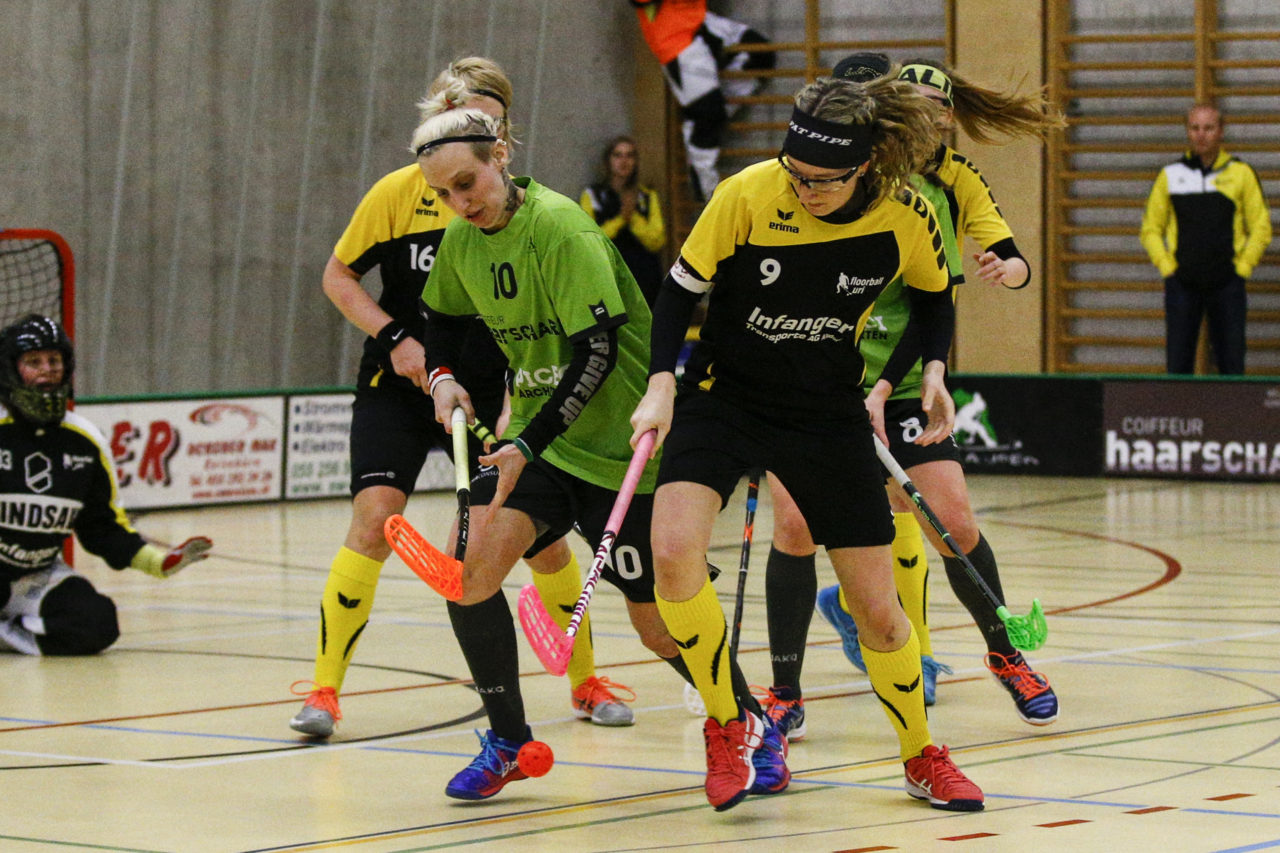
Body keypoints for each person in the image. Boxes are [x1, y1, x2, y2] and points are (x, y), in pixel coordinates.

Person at [630, 74, 985, 813]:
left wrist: (937, 369)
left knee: (880, 613)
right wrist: (661, 382)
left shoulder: (905, 214)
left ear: (868, 167)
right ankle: (730, 720)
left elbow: (933, 293)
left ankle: (921, 754)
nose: (805, 188)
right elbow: (677, 290)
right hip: (722, 396)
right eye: (796, 172)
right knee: (671, 554)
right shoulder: (749, 194)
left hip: (826, 412)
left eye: (823, 180)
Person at [289, 57, 636, 740]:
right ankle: (324, 689)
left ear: (502, 137)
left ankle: (584, 678)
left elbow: (536, 319)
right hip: (402, 382)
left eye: (492, 121)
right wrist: (396, 337)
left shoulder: (526, 207)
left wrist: (513, 399)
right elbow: (338, 275)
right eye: (463, 112)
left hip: (486, 393)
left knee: (540, 541)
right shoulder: (399, 192)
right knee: (374, 517)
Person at [409, 101, 720, 802]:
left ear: (500, 159)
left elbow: (599, 352)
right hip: (552, 448)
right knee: (471, 576)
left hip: (624, 448)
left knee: (658, 628)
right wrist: (443, 377)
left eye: (468, 183)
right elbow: (440, 322)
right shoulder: (463, 243)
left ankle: (744, 719)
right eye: (444, 194)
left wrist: (526, 439)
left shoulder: (562, 229)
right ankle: (511, 740)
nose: (460, 203)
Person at [780, 56, 1062, 730]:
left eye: (938, 111)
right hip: (821, 385)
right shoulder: (844, 179)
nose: (928, 122)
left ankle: (1004, 655)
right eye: (912, 107)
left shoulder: (951, 184)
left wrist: (1008, 268)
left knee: (952, 522)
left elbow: (979, 275)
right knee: (798, 527)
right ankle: (788, 690)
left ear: (947, 119)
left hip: (902, 382)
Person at [0, 314, 211, 656]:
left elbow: (102, 527)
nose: (47, 369)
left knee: (97, 623)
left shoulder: (85, 439)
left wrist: (158, 563)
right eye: (34, 361)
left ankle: (6, 636)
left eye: (54, 360)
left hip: (33, 577)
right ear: (11, 369)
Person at [1141, 103, 1271, 375]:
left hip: (1227, 284)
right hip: (1182, 285)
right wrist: (1168, 269)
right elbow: (1151, 229)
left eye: (1209, 128)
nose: (1201, 135)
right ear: (1188, 132)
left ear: (1221, 132)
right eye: (1195, 128)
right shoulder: (1170, 175)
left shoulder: (1241, 173)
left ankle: (1232, 418)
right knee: (1177, 367)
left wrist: (1242, 269)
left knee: (1232, 365)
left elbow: (1261, 227)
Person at [629, 0, 776, 202]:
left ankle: (705, 116)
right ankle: (705, 186)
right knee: (708, 115)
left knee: (760, 53)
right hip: (675, 39)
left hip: (700, 21)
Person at [580, 135, 666, 306]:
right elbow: (590, 241)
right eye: (617, 155)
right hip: (609, 276)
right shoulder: (592, 195)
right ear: (608, 160)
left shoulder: (647, 196)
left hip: (644, 277)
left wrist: (633, 217)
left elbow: (657, 241)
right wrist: (621, 219)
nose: (623, 161)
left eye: (630, 155)